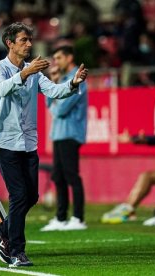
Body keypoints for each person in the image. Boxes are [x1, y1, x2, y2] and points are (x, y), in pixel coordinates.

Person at [0, 22, 88, 267]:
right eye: (24, 40)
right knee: (19, 194)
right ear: (10, 43)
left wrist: (73, 83)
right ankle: (15, 251)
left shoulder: (34, 72)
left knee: (31, 196)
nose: (29, 44)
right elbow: (1, 90)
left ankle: (1, 232)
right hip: (4, 141)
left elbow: (54, 91)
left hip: (28, 142)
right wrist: (25, 73)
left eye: (30, 39)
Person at [40, 46, 88, 232]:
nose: (56, 61)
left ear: (70, 58)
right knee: (58, 177)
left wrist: (53, 105)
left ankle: (78, 217)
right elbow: (48, 100)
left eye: (59, 57)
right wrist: (54, 82)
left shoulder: (78, 80)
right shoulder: (63, 80)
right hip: (59, 134)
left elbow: (60, 110)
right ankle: (60, 218)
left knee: (71, 176)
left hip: (71, 133)